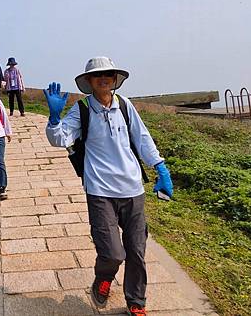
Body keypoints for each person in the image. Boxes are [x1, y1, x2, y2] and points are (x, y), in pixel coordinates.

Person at [43, 57, 174, 316]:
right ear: (89, 82)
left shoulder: (125, 106)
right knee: (113, 253)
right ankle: (103, 278)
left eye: (108, 75)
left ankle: (136, 301)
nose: (103, 79)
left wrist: (160, 167)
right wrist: (54, 117)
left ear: (115, 80)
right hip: (100, 191)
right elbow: (60, 140)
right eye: (97, 76)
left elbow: (142, 137)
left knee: (137, 251)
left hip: (133, 190)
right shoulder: (81, 110)